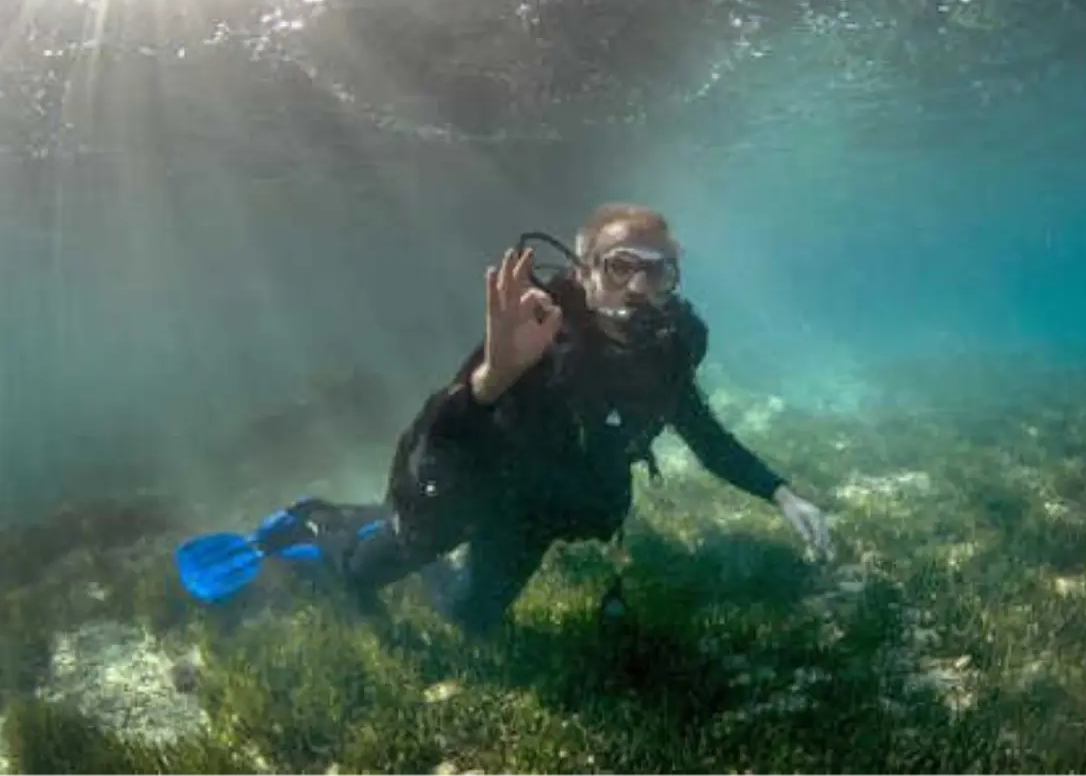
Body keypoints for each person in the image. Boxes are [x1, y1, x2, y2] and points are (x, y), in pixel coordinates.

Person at [186, 203, 833, 636]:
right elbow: (439, 435)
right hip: (482, 490)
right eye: (620, 267)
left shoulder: (674, 344)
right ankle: (323, 523)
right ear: (584, 273)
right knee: (370, 577)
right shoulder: (537, 330)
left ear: (674, 277)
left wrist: (780, 493)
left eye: (658, 269)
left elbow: (699, 428)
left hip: (561, 503)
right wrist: (495, 375)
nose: (640, 286)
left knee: (473, 618)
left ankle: (363, 525)